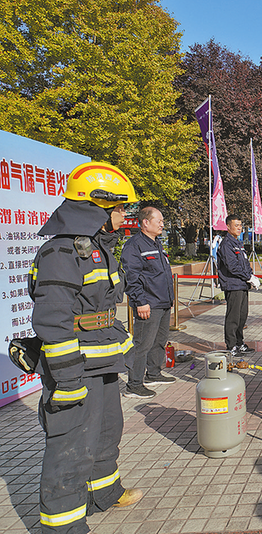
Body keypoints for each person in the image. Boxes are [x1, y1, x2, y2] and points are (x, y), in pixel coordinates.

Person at [29, 162, 143, 534]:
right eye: (120, 208)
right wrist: (66, 381)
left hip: (101, 360)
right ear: (97, 206)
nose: (125, 215)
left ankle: (105, 493)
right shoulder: (61, 253)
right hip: (75, 367)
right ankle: (64, 526)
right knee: (70, 447)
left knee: (108, 430)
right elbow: (53, 321)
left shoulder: (96, 247)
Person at [120, 207, 176, 399]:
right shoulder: (134, 246)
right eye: (158, 220)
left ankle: (153, 373)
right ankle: (134, 384)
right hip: (148, 303)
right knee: (142, 344)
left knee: (159, 341)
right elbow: (131, 277)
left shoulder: (157, 243)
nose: (162, 224)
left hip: (162, 302)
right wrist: (140, 301)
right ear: (145, 222)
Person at [217, 214, 260, 356]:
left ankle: (239, 342)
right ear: (228, 227)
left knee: (242, 316)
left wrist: (251, 275)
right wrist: (248, 277)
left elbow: (245, 263)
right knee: (233, 317)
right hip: (233, 285)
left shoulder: (238, 243)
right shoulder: (226, 244)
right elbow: (232, 266)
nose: (239, 228)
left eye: (240, 225)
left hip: (242, 285)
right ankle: (231, 345)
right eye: (236, 225)